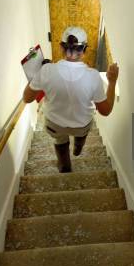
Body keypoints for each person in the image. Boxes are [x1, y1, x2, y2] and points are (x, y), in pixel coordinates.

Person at [22, 26, 119, 173]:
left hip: (54, 124)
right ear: (84, 49)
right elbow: (105, 111)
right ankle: (78, 147)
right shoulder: (93, 76)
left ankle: (64, 165)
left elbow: (27, 98)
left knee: (60, 140)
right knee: (81, 133)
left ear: (61, 47)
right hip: (81, 125)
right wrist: (112, 82)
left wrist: (37, 75)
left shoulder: (46, 71)